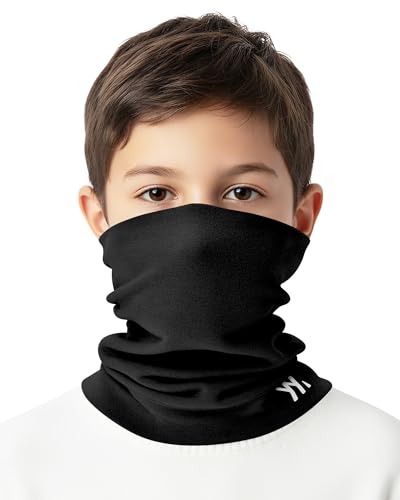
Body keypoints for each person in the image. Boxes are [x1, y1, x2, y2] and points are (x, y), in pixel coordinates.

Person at [1, 11, 399, 500]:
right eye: (156, 193)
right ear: (98, 216)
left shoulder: (381, 464)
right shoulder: (18, 468)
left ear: (302, 216)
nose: (198, 237)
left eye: (241, 192)